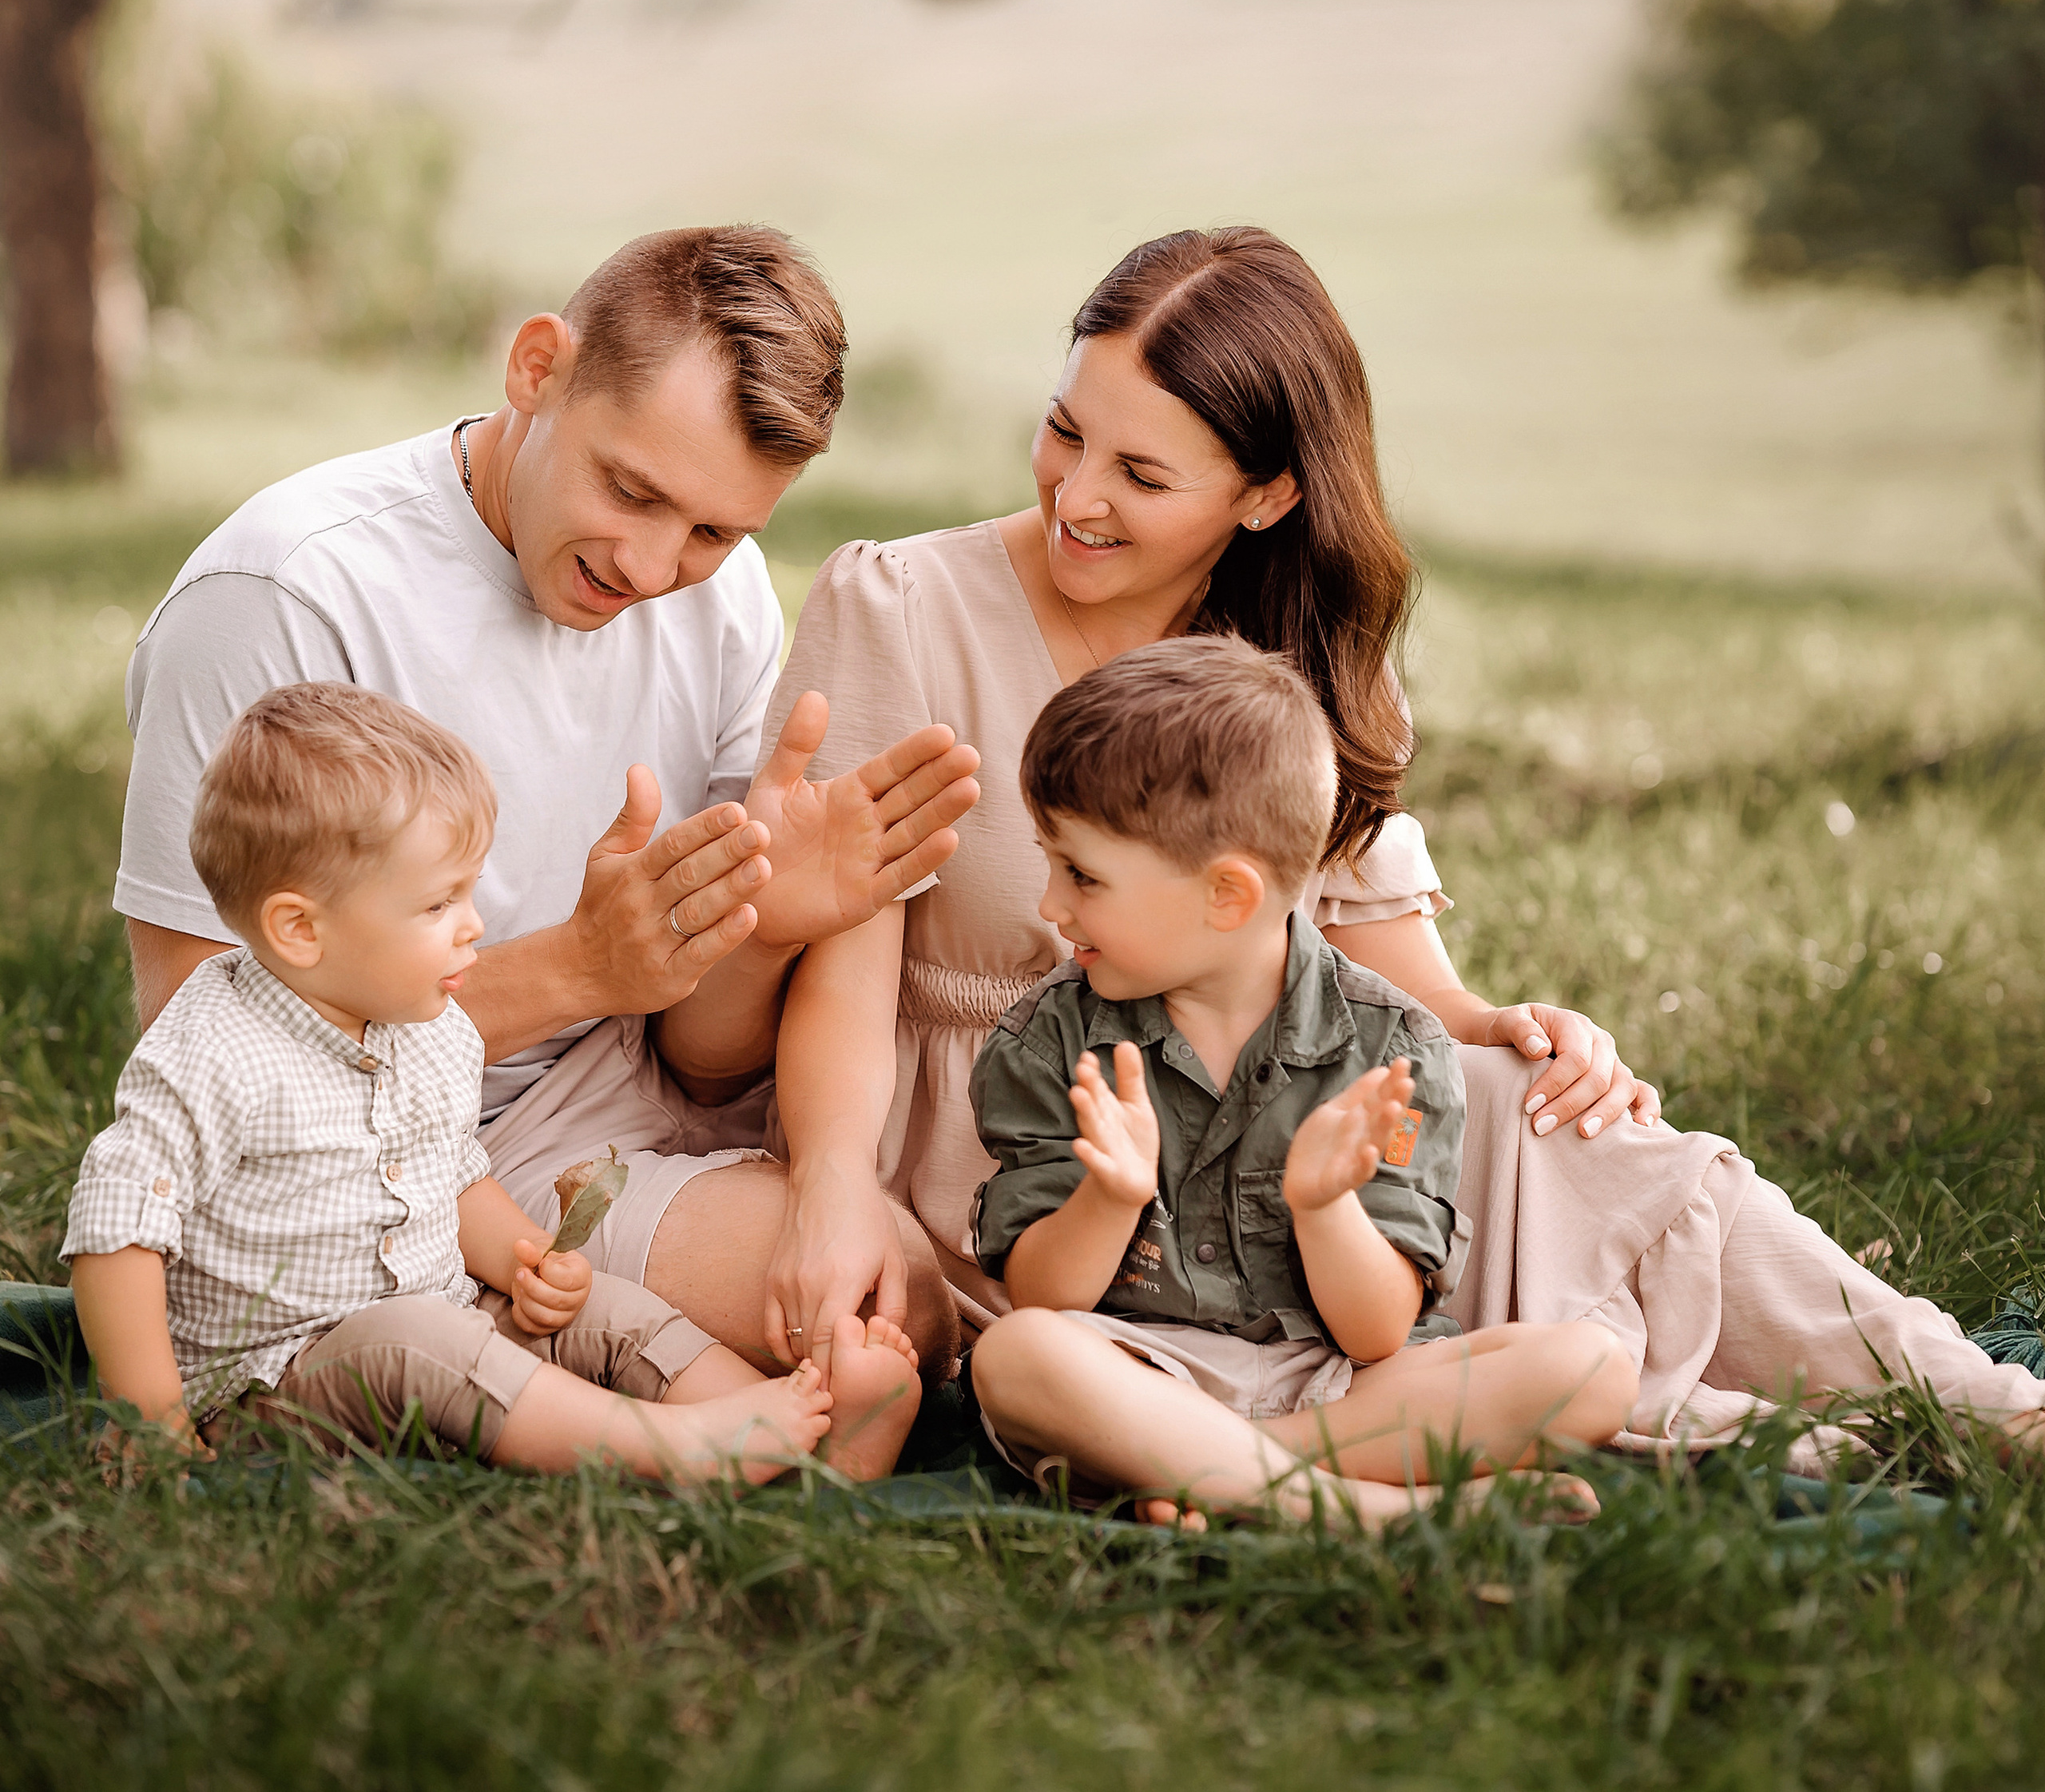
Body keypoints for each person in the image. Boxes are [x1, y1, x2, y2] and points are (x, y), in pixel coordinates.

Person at [764, 225, 2044, 1469]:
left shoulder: (1295, 658)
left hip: (1276, 1145)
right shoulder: (907, 607)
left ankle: (1972, 1404)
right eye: (1064, 429)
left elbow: (1387, 982)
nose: (1076, 496)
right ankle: (1631, 1435)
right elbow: (842, 955)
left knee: (1563, 1123)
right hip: (1031, 1161)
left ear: (1268, 494)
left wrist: (1513, 1029)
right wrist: (831, 1183)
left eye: (1142, 476)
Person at [112, 227, 979, 1389]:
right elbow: (193, 1032)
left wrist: (759, 927)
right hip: (358, 1147)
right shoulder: (285, 594)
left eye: (716, 532)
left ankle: (535, 1328)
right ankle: (466, 1320)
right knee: (843, 1333)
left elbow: (701, 1062)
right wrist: (579, 968)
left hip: (622, 1109)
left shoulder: (721, 613)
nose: (654, 567)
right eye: (632, 489)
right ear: (536, 370)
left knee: (899, 1304)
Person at [64, 683, 923, 1479]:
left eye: (470, 893)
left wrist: (521, 1262)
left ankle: (793, 1430)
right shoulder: (215, 1048)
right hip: (276, 1383)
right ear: (299, 928)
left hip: (448, 1315)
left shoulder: (429, 1024)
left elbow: (453, 1173)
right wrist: (151, 1419)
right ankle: (676, 1448)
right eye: (439, 905)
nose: (474, 926)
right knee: (417, 1339)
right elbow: (117, 1228)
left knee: (604, 1312)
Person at [967, 640, 1634, 1525]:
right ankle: (1376, 1512)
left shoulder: (1396, 1049)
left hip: (1345, 1387)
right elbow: (1046, 1300)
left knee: (1591, 1370)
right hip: (1137, 1371)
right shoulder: (1048, 1038)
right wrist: (1109, 1196)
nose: (1051, 905)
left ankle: (1213, 1475)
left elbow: (1378, 1333)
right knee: (1016, 1358)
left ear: (1227, 895)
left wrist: (1325, 1208)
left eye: (1082, 874)